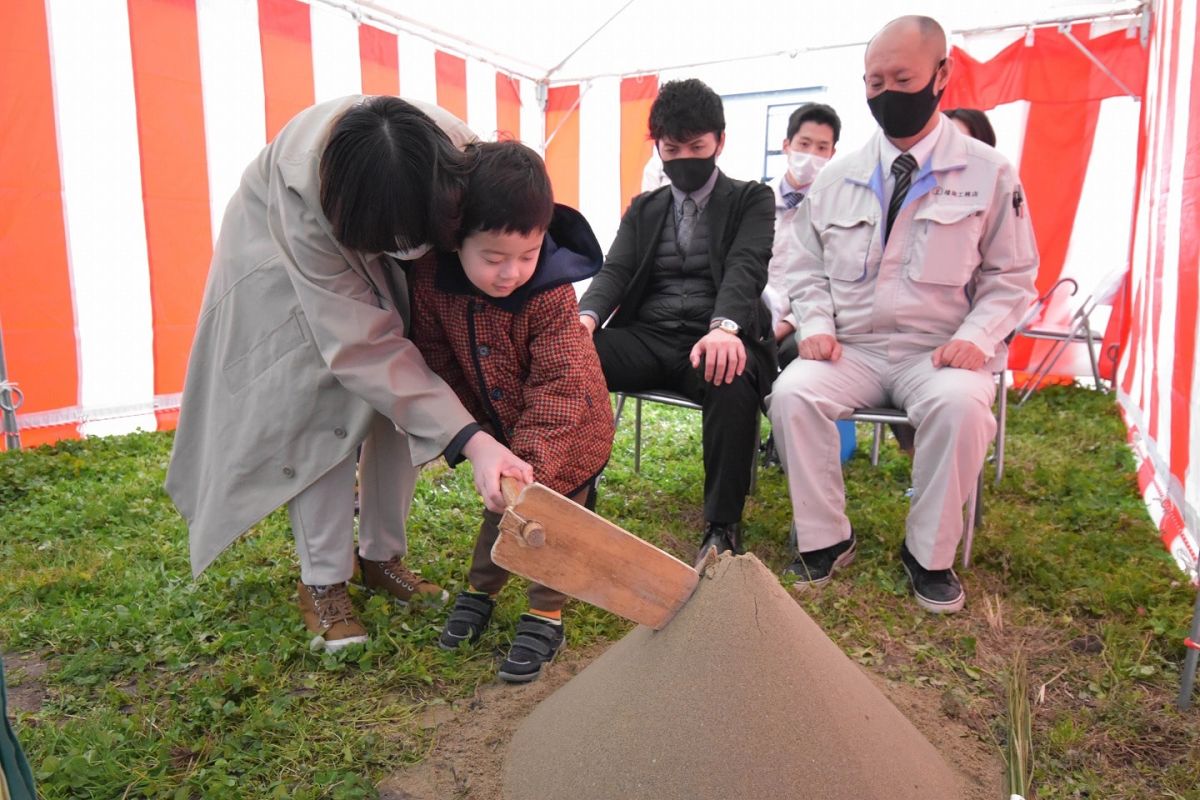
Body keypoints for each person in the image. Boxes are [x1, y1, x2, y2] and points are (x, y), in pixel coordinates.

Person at [166, 96, 533, 652]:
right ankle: (323, 581)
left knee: (408, 383)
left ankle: (382, 558)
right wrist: (471, 441)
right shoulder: (303, 195)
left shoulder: (459, 155)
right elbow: (361, 348)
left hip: (376, 225)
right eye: (393, 243)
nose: (409, 252)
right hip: (280, 264)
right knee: (324, 406)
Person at [768, 16, 1038, 612]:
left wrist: (977, 336)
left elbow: (1012, 275)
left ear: (942, 74)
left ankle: (928, 555)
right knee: (791, 393)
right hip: (854, 348)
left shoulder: (987, 172)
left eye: (902, 77)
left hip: (938, 350)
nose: (886, 92)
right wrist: (814, 325)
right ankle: (826, 538)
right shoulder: (837, 174)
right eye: (874, 80)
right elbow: (804, 266)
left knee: (963, 408)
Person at [406, 141, 613, 683]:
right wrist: (472, 435)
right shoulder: (431, 283)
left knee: (551, 520)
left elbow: (562, 382)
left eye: (528, 254)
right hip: (498, 429)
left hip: (570, 430)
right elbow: (436, 359)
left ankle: (546, 610)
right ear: (456, 239)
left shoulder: (550, 294)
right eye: (494, 258)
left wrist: (532, 461)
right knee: (499, 512)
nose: (511, 273)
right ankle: (480, 590)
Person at [578, 78, 776, 565]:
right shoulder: (644, 209)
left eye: (697, 146)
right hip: (648, 335)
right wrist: (585, 317)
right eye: (672, 148)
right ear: (658, 148)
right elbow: (617, 269)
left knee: (731, 374)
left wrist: (725, 326)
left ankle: (722, 525)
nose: (684, 157)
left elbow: (746, 266)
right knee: (574, 356)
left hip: (713, 337)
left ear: (719, 143)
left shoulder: (752, 199)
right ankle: (575, 492)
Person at [765, 102, 841, 368]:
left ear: (833, 153)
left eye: (822, 148)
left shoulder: (837, 210)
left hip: (803, 319)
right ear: (787, 145)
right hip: (753, 314)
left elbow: (833, 282)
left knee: (799, 354)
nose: (811, 154)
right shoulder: (756, 201)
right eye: (804, 144)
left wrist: (787, 324)